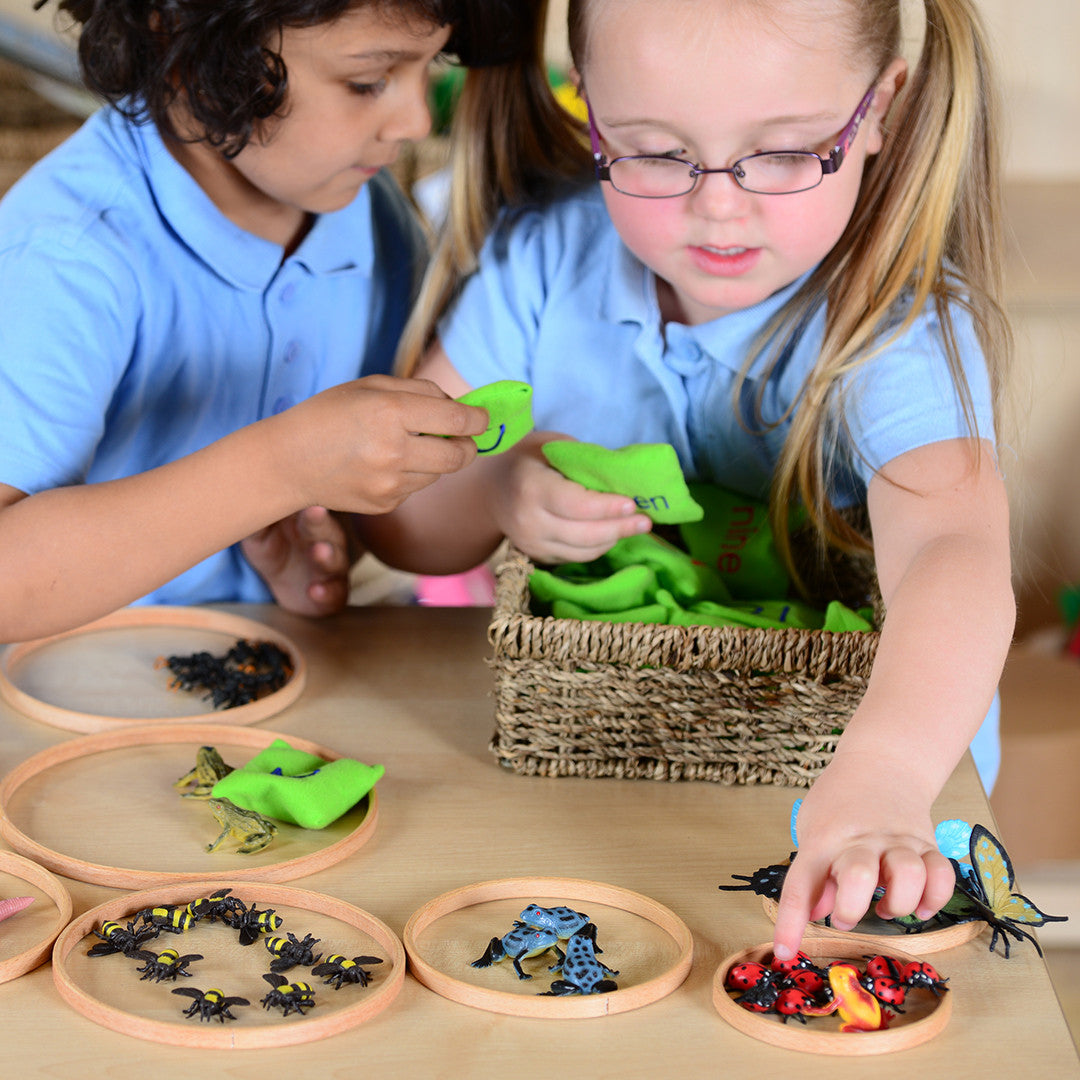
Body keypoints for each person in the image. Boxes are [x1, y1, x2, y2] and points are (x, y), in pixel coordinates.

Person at [360, 0, 1015, 959]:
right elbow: (403, 527)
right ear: (590, 117)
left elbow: (956, 552)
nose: (718, 206)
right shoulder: (544, 263)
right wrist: (496, 494)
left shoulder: (899, 322)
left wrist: (883, 774)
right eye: (655, 153)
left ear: (879, 111)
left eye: (788, 153)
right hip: (580, 785)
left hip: (875, 797)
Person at [0, 0, 532, 643]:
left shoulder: (374, 218)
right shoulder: (69, 254)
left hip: (272, 666)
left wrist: (318, 553)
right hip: (74, 685)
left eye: (431, 67)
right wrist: (284, 467)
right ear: (188, 49)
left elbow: (346, 496)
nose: (417, 120)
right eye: (367, 81)